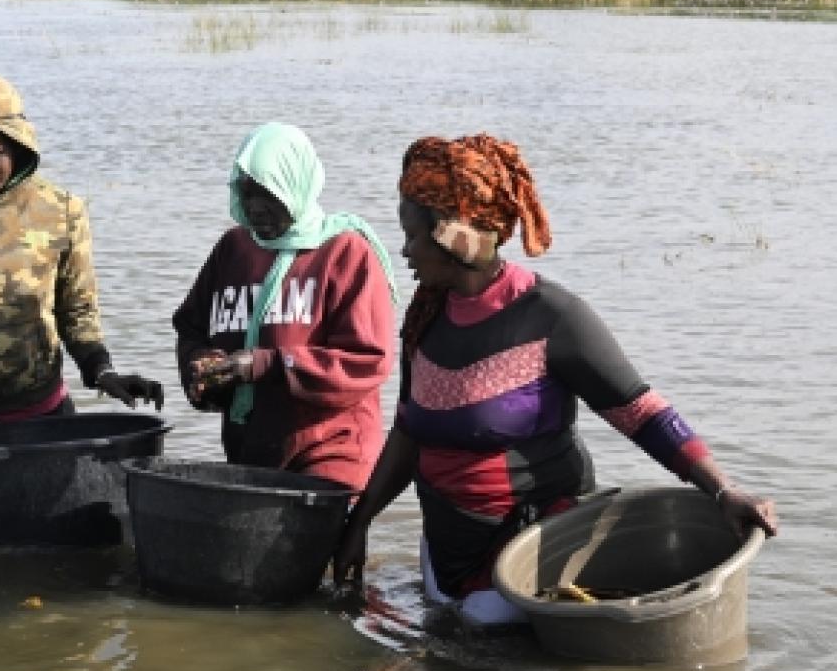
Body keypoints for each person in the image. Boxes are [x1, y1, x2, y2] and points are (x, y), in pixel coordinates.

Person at [333, 133, 778, 623]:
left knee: (503, 665)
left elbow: (641, 413)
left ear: (455, 235)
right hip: (444, 555)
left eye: (414, 234)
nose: (405, 249)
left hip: (528, 555)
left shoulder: (551, 317)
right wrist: (359, 525)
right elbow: (408, 432)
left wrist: (722, 489)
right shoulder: (425, 319)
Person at [0, 72, 163, 514]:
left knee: (51, 543)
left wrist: (103, 371)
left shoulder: (61, 211)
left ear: (18, 147)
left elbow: (76, 309)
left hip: (40, 418)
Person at [172, 121, 398, 489]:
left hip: (329, 450)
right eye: (246, 193)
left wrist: (265, 364)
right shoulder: (233, 249)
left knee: (316, 545)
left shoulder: (345, 253)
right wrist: (200, 365)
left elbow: (366, 361)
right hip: (254, 447)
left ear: (295, 185)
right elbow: (190, 327)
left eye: (267, 194)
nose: (255, 207)